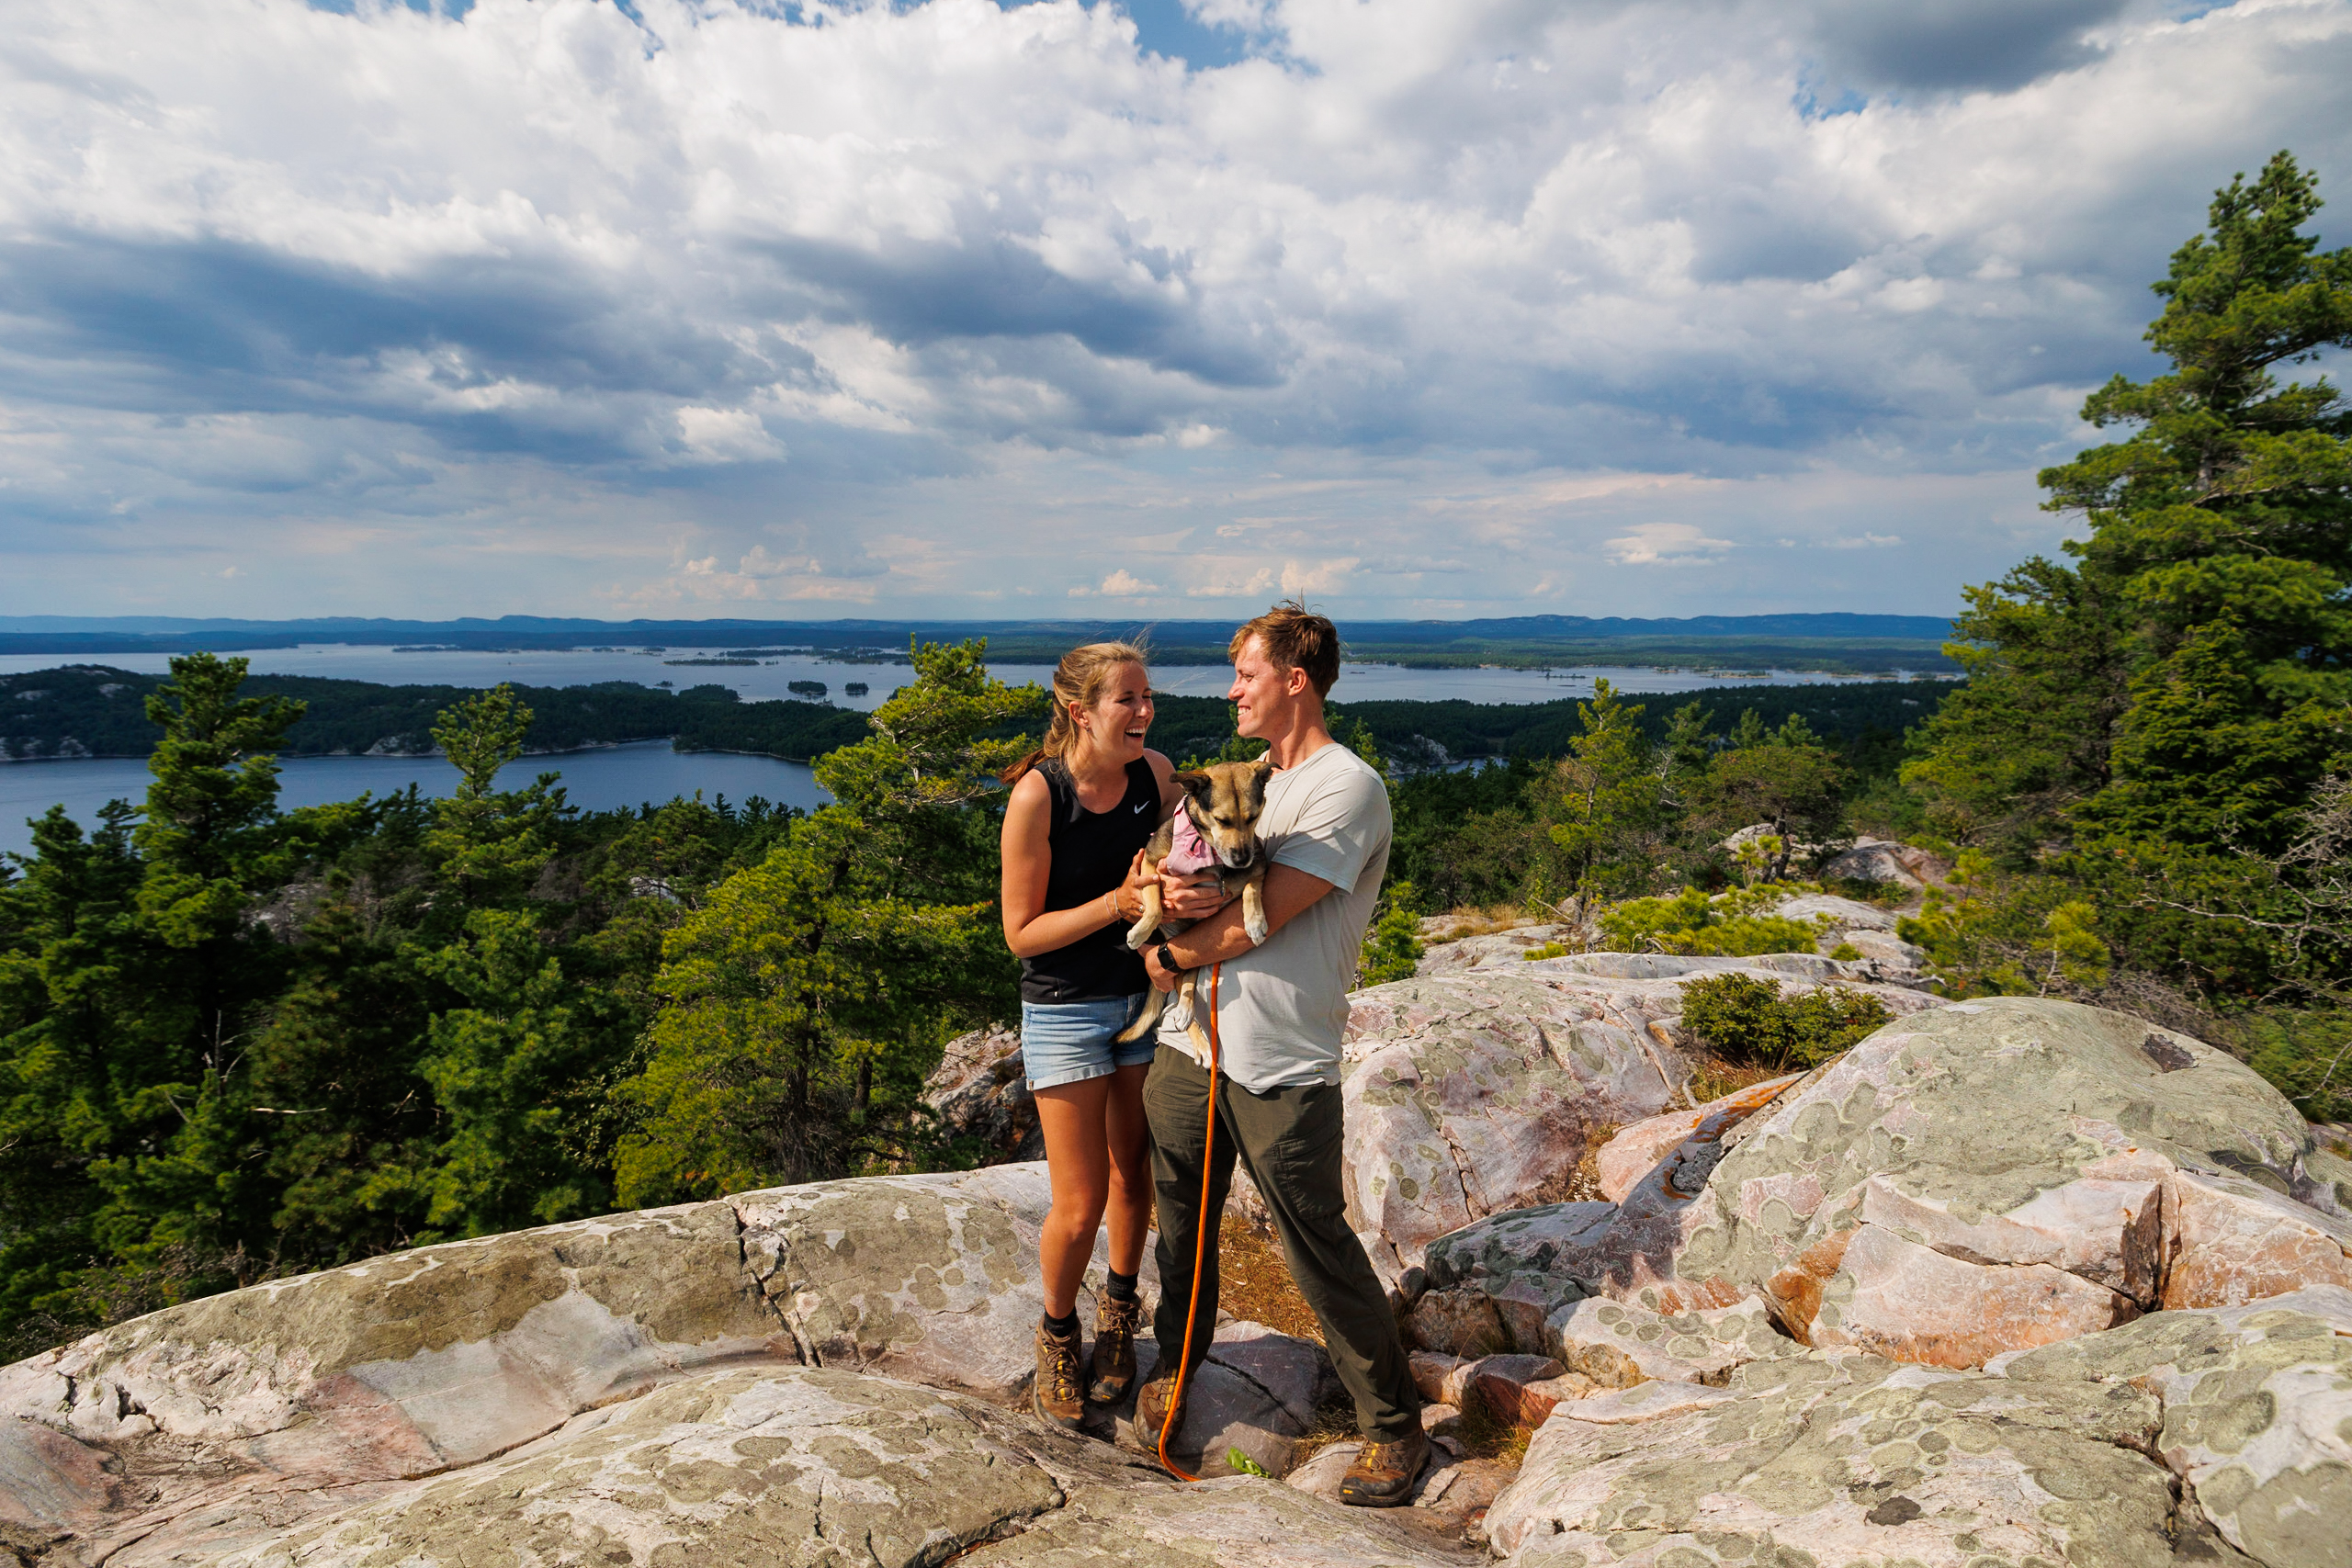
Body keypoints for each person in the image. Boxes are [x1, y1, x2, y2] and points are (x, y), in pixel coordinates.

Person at [1129, 601, 1427, 1506]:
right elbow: (1164, 870)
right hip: (1189, 1047)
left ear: (1294, 681)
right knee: (1179, 1233)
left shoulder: (1346, 787)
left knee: (1313, 1244)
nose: (1232, 691)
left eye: (1246, 675)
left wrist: (1168, 951)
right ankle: (1176, 1383)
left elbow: (1263, 915)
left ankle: (1393, 1428)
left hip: (1281, 1058)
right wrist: (1151, 896)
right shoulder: (1242, 779)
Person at [998, 642, 1190, 1434]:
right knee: (1078, 1203)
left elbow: (1199, 844)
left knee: (1132, 1176)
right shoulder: (1039, 798)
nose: (1145, 713)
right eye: (1127, 701)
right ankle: (1057, 1332)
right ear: (1081, 712)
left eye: (1148, 698)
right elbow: (1021, 932)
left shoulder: (1155, 776)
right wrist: (1117, 904)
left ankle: (1118, 1314)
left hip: (1142, 1002)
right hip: (1067, 1007)